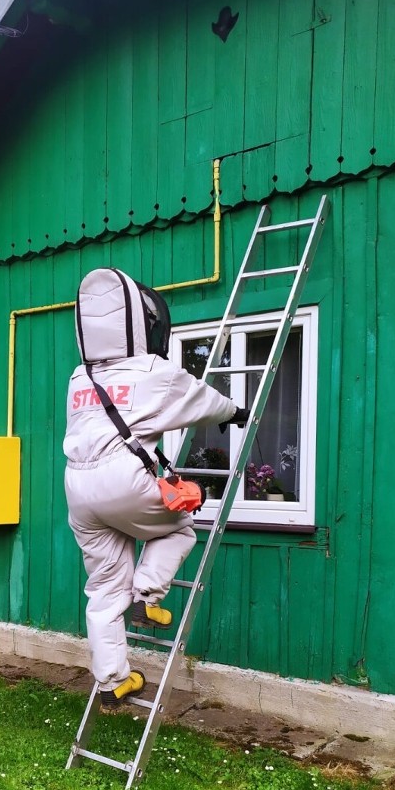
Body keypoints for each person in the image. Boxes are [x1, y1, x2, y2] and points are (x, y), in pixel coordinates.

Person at [63, 268, 248, 711]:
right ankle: (148, 595)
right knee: (180, 529)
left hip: (77, 488)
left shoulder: (79, 377)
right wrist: (235, 412)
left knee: (105, 588)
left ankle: (113, 681)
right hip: (122, 479)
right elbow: (202, 400)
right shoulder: (153, 371)